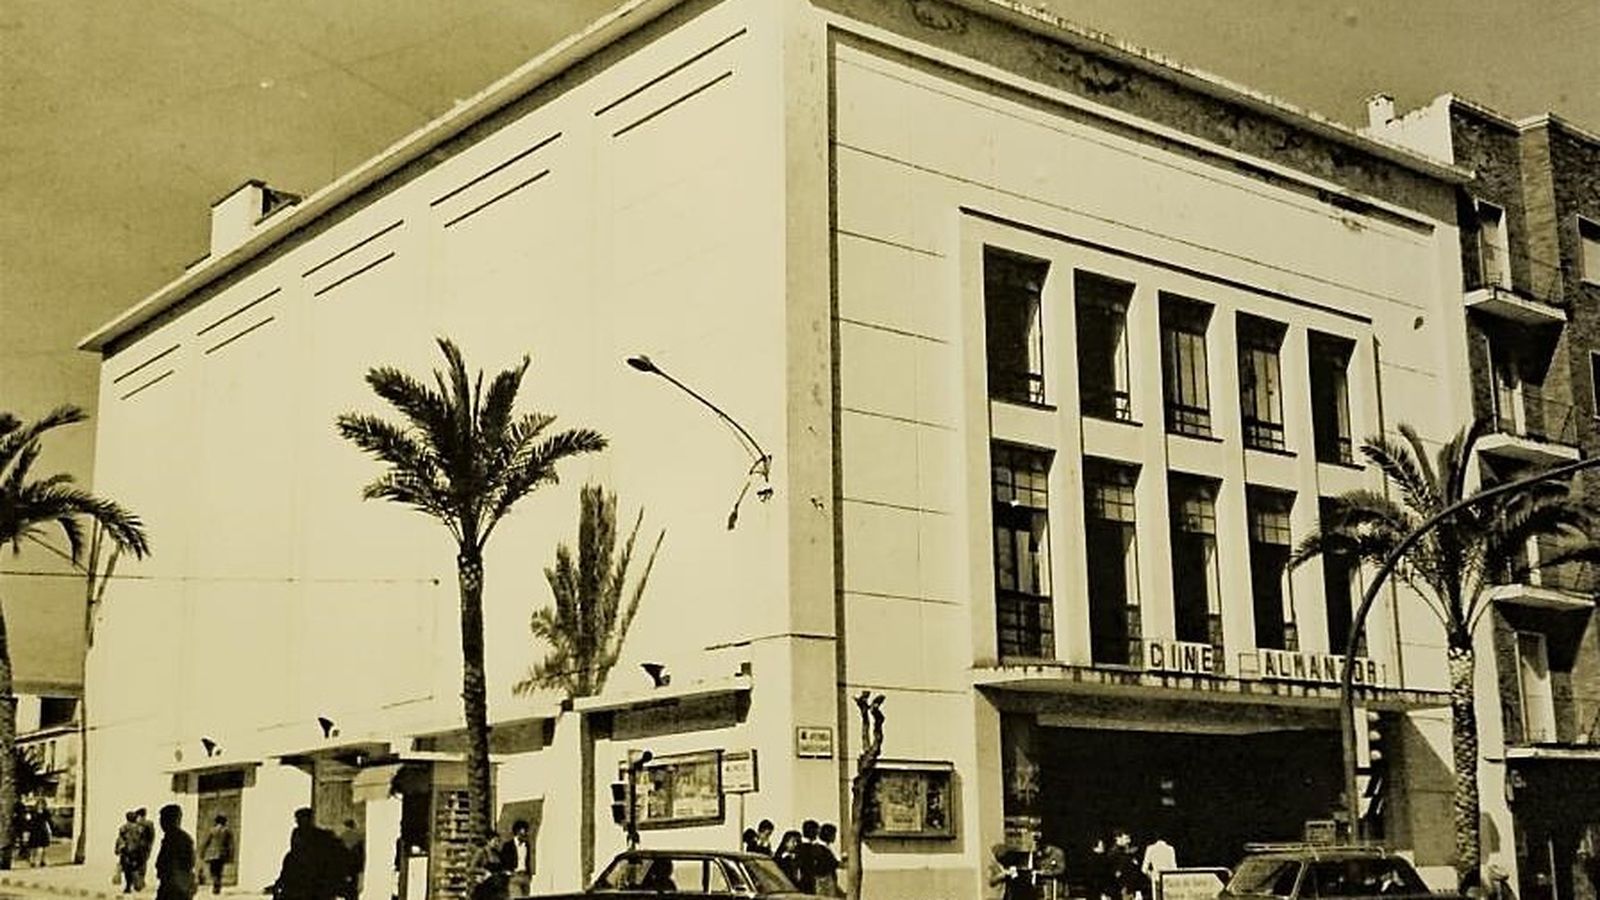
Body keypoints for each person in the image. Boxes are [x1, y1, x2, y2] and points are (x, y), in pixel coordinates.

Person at [272, 808, 347, 900]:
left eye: (300, 819)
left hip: (312, 881)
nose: (298, 822)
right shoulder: (312, 835)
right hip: (307, 879)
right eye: (298, 820)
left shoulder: (318, 836)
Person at [154, 804, 197, 900]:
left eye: (163, 819)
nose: (160, 823)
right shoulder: (174, 837)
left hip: (175, 887)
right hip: (173, 885)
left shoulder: (176, 838)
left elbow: (188, 863)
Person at [497, 820, 532, 899]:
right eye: (523, 831)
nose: (525, 833)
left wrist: (529, 874)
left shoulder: (526, 845)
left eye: (526, 831)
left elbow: (527, 860)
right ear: (517, 831)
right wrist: (507, 872)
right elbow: (502, 860)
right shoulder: (508, 846)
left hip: (525, 876)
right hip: (514, 876)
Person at [200, 815, 234, 894]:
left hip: (212, 854)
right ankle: (217, 885)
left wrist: (202, 852)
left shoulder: (212, 830)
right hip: (222, 854)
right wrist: (231, 855)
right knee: (219, 870)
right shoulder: (227, 831)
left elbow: (206, 842)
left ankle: (216, 884)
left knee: (213, 871)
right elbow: (230, 845)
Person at [116, 810, 145, 893]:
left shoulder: (123, 828)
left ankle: (129, 885)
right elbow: (141, 841)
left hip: (126, 851)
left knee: (127, 869)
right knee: (135, 868)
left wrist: (118, 849)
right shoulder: (139, 829)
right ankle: (136, 884)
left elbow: (120, 839)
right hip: (136, 851)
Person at [1140, 835, 1175, 900]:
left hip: (1156, 880)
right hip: (1167, 881)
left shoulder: (1150, 849)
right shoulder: (1170, 849)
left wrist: (1151, 876)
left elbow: (1144, 869)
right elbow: (1174, 869)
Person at [337, 819, 365, 900]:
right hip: (354, 871)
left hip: (343, 871)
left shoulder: (341, 838)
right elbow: (361, 858)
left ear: (346, 827)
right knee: (352, 894)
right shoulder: (359, 839)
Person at [815, 823, 843, 897]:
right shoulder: (822, 849)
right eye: (834, 834)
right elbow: (831, 864)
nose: (835, 837)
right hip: (825, 882)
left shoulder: (824, 848)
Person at [135, 808, 158, 891]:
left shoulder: (142, 825)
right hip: (144, 848)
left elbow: (150, 837)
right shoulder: (149, 824)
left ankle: (139, 883)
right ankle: (140, 882)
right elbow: (152, 837)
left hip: (141, 849)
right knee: (142, 865)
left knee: (140, 865)